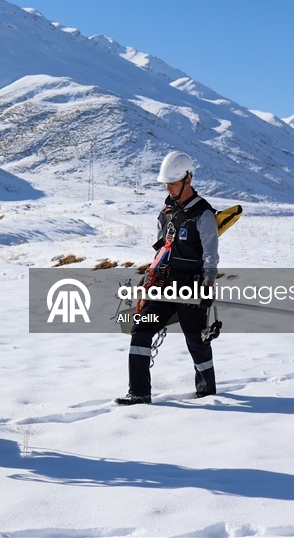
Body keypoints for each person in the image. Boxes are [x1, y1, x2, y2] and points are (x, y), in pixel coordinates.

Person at [116, 151, 219, 405]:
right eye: (166, 182)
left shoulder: (203, 214)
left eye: (172, 182)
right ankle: (139, 392)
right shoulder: (167, 211)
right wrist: (146, 282)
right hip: (162, 286)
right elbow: (162, 250)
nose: (168, 187)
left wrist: (207, 286)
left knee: (197, 341)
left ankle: (206, 393)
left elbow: (210, 254)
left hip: (190, 288)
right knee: (140, 329)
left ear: (188, 179)